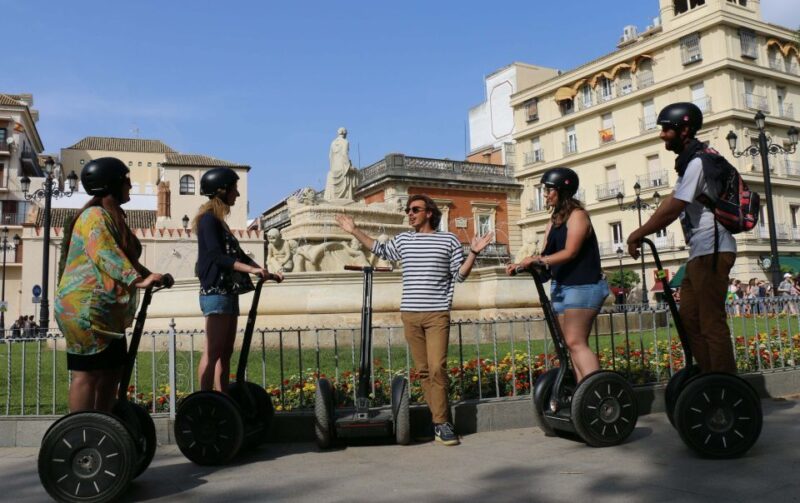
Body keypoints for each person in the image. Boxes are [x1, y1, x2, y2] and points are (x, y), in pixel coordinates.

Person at [335, 195, 493, 446]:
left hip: (437, 313)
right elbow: (380, 249)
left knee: (438, 368)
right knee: (423, 371)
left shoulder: (448, 239)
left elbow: (459, 276)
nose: (409, 213)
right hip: (410, 314)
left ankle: (441, 423)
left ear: (429, 213)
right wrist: (354, 230)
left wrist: (473, 252)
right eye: (408, 209)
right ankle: (440, 420)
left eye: (415, 209)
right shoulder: (405, 240)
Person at [626, 102, 737, 373]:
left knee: (710, 321)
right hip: (700, 251)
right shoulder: (690, 163)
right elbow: (670, 202)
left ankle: (727, 386)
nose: (662, 134)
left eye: (667, 129)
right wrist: (639, 231)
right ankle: (708, 376)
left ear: (685, 129)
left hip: (713, 247)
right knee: (688, 317)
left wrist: (638, 233)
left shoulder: (699, 161)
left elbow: (675, 207)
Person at [55, 157, 166, 412]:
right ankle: (81, 431)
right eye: (126, 178)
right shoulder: (94, 216)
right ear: (112, 183)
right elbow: (105, 253)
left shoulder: (111, 216)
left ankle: (104, 427)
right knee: (88, 374)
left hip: (105, 312)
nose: (130, 183)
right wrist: (139, 280)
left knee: (113, 372)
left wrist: (151, 275)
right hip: (85, 310)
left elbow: (124, 257)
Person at [506, 167, 609, 383]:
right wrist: (521, 266)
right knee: (568, 345)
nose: (545, 193)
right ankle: (584, 394)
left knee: (576, 342)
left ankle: (598, 392)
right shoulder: (553, 222)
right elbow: (546, 257)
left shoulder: (578, 216)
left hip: (583, 286)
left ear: (562, 190)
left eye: (548, 189)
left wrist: (538, 260)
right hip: (562, 288)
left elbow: (570, 252)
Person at [194, 167, 283, 393]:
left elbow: (238, 255)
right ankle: (204, 401)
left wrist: (265, 271)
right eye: (234, 189)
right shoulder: (207, 221)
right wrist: (251, 271)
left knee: (226, 352)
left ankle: (223, 400)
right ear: (221, 190)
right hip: (215, 293)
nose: (238, 194)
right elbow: (216, 256)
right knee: (213, 351)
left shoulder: (219, 222)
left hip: (228, 292)